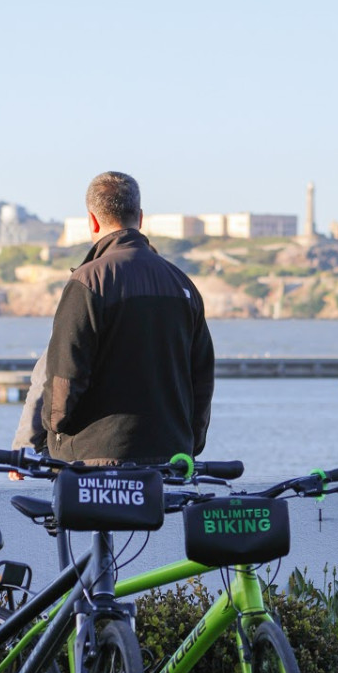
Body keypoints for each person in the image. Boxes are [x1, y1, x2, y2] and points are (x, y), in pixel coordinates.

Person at [30, 171, 214, 464]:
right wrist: (191, 439)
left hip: (95, 458)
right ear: (139, 217)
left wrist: (53, 429)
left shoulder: (88, 281)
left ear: (92, 220)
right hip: (170, 456)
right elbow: (201, 376)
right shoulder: (182, 284)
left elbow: (66, 375)